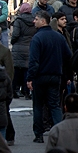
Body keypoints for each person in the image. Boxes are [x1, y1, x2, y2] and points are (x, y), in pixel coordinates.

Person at [27, 11, 72, 143]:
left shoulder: (37, 38)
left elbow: (33, 61)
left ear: (43, 21)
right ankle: (60, 133)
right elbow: (68, 55)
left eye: (36, 19)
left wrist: (30, 78)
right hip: (56, 75)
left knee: (38, 105)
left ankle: (39, 134)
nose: (33, 21)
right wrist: (65, 73)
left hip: (40, 77)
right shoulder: (58, 37)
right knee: (54, 105)